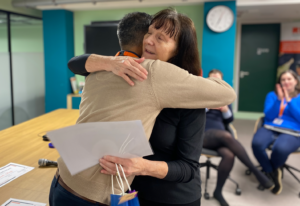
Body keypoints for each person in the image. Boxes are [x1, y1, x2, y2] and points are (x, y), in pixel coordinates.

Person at [50, 9, 236, 206]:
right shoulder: (126, 69)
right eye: (149, 33)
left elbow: (189, 166)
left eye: (161, 38)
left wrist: (142, 166)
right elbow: (76, 64)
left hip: (171, 196)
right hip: (127, 191)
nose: (148, 40)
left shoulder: (158, 74)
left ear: (179, 50)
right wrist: (108, 61)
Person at [201, 69, 274, 206]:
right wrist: (207, 106)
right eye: (212, 79)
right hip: (204, 134)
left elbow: (229, 120)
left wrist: (225, 110)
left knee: (229, 154)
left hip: (221, 136)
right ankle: (256, 172)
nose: (216, 82)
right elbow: (193, 115)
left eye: (218, 79)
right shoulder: (202, 95)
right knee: (226, 135)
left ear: (222, 82)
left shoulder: (225, 99)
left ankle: (218, 191)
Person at [252, 70, 300, 195]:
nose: (286, 82)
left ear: (296, 81)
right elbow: (268, 116)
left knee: (280, 149)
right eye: (283, 79)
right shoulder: (272, 95)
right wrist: (279, 99)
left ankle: (269, 174)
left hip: (293, 131)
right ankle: (272, 171)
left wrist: (288, 100)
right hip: (271, 126)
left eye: (289, 79)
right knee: (256, 144)